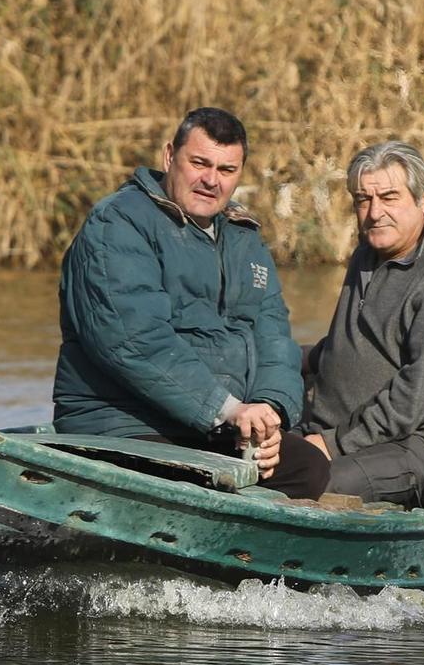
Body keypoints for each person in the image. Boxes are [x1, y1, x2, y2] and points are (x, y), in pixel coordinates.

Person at [52, 107, 328, 499]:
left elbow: (274, 338)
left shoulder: (244, 238)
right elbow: (134, 341)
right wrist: (227, 409)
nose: (211, 180)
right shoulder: (116, 225)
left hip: (215, 427)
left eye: (226, 170)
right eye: (199, 163)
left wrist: (270, 415)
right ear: (169, 157)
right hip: (125, 424)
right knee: (189, 483)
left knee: (309, 467)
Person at [299, 141, 424, 509]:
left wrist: (331, 445)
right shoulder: (368, 254)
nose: (374, 212)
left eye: (389, 197)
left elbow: (421, 393)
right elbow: (350, 348)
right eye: (363, 199)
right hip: (354, 436)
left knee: (312, 481)